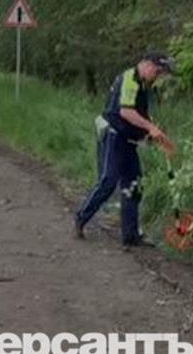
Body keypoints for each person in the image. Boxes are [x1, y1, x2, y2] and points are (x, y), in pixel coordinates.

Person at [74, 52, 177, 247]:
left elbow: (141, 117)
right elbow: (126, 111)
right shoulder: (130, 78)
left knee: (134, 185)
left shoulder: (145, 86)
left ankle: (130, 235)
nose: (158, 76)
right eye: (157, 71)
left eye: (161, 73)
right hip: (113, 134)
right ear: (146, 65)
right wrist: (151, 128)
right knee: (108, 181)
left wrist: (157, 137)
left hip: (129, 139)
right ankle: (81, 218)